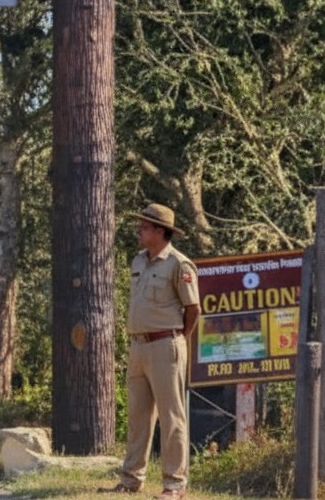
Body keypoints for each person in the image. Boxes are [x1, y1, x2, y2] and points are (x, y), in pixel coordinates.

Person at [104, 203, 200, 500]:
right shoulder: (138, 261)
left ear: (160, 231)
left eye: (145, 227)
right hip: (138, 345)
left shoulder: (179, 264)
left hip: (165, 345)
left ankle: (174, 484)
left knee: (172, 417)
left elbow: (193, 308)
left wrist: (179, 338)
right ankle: (131, 479)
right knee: (138, 416)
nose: (139, 231)